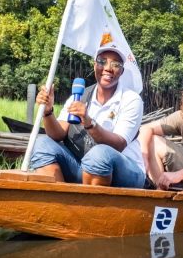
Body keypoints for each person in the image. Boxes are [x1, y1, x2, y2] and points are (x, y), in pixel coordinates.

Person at [28, 43, 145, 188]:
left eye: (115, 64)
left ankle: (92, 209)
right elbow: (57, 134)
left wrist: (89, 123)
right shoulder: (80, 96)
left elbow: (119, 144)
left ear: (121, 71)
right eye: (102, 61)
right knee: (41, 144)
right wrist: (48, 111)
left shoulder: (131, 100)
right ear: (95, 66)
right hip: (84, 167)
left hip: (125, 172)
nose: (108, 68)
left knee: (99, 155)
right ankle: (60, 204)